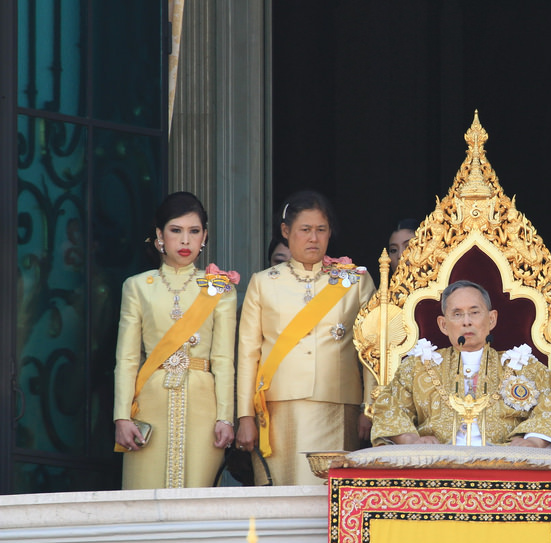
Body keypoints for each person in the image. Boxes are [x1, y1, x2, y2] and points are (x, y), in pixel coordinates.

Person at [235, 190, 376, 485]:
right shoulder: (263, 283)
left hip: (338, 406)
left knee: (329, 499)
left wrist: (370, 406)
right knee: (282, 499)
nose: (314, 238)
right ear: (286, 232)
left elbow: (373, 350)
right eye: (305, 230)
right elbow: (248, 353)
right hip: (276, 410)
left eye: (321, 230)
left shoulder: (356, 280)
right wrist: (244, 416)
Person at [113, 192, 238, 489]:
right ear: (159, 235)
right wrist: (121, 417)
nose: (185, 241)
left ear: (204, 236)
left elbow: (223, 360)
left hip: (204, 406)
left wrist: (226, 418)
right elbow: (128, 359)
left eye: (194, 232)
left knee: (198, 502)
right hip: (149, 402)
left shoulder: (219, 289)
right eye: (176, 231)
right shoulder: (138, 287)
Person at [371, 280, 551, 448]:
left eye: (474, 312)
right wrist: (412, 440)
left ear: (492, 319)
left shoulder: (524, 366)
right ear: (443, 324)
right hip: (436, 462)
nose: (466, 322)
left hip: (506, 465)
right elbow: (389, 408)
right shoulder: (417, 367)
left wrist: (533, 442)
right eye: (457, 314)